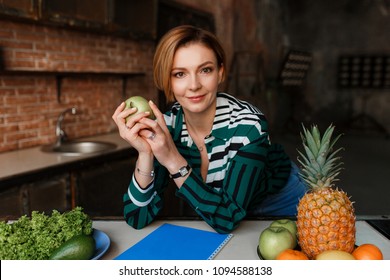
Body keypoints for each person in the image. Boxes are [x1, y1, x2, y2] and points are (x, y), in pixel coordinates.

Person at [112, 25, 307, 234]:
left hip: (280, 202)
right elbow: (137, 217)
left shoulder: (248, 126)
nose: (194, 85)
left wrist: (172, 159)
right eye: (179, 74)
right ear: (167, 79)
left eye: (205, 70)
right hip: (222, 212)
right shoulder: (167, 127)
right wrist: (146, 153)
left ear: (220, 72)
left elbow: (226, 219)